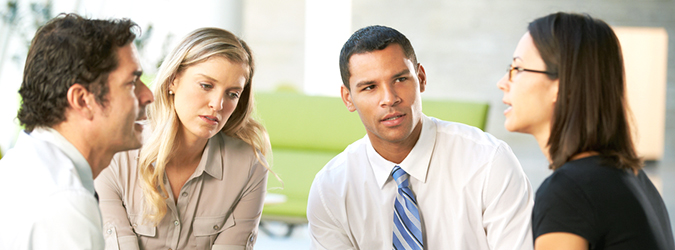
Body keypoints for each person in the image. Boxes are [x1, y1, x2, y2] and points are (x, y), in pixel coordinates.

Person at [307, 25, 534, 250]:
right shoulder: (330, 190)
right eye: (369, 87)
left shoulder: (489, 162)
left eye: (400, 79)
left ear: (421, 78)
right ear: (348, 98)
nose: (389, 98)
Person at [497, 12, 675, 250]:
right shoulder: (635, 180)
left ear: (561, 86)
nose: (502, 82)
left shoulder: (568, 192)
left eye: (517, 69)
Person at [95, 27, 270, 250]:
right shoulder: (114, 153)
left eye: (232, 94)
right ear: (173, 81)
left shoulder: (249, 166)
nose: (218, 104)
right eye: (206, 85)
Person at [0, 14, 153, 249]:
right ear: (83, 100)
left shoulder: (20, 168)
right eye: (132, 83)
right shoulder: (67, 203)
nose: (148, 95)